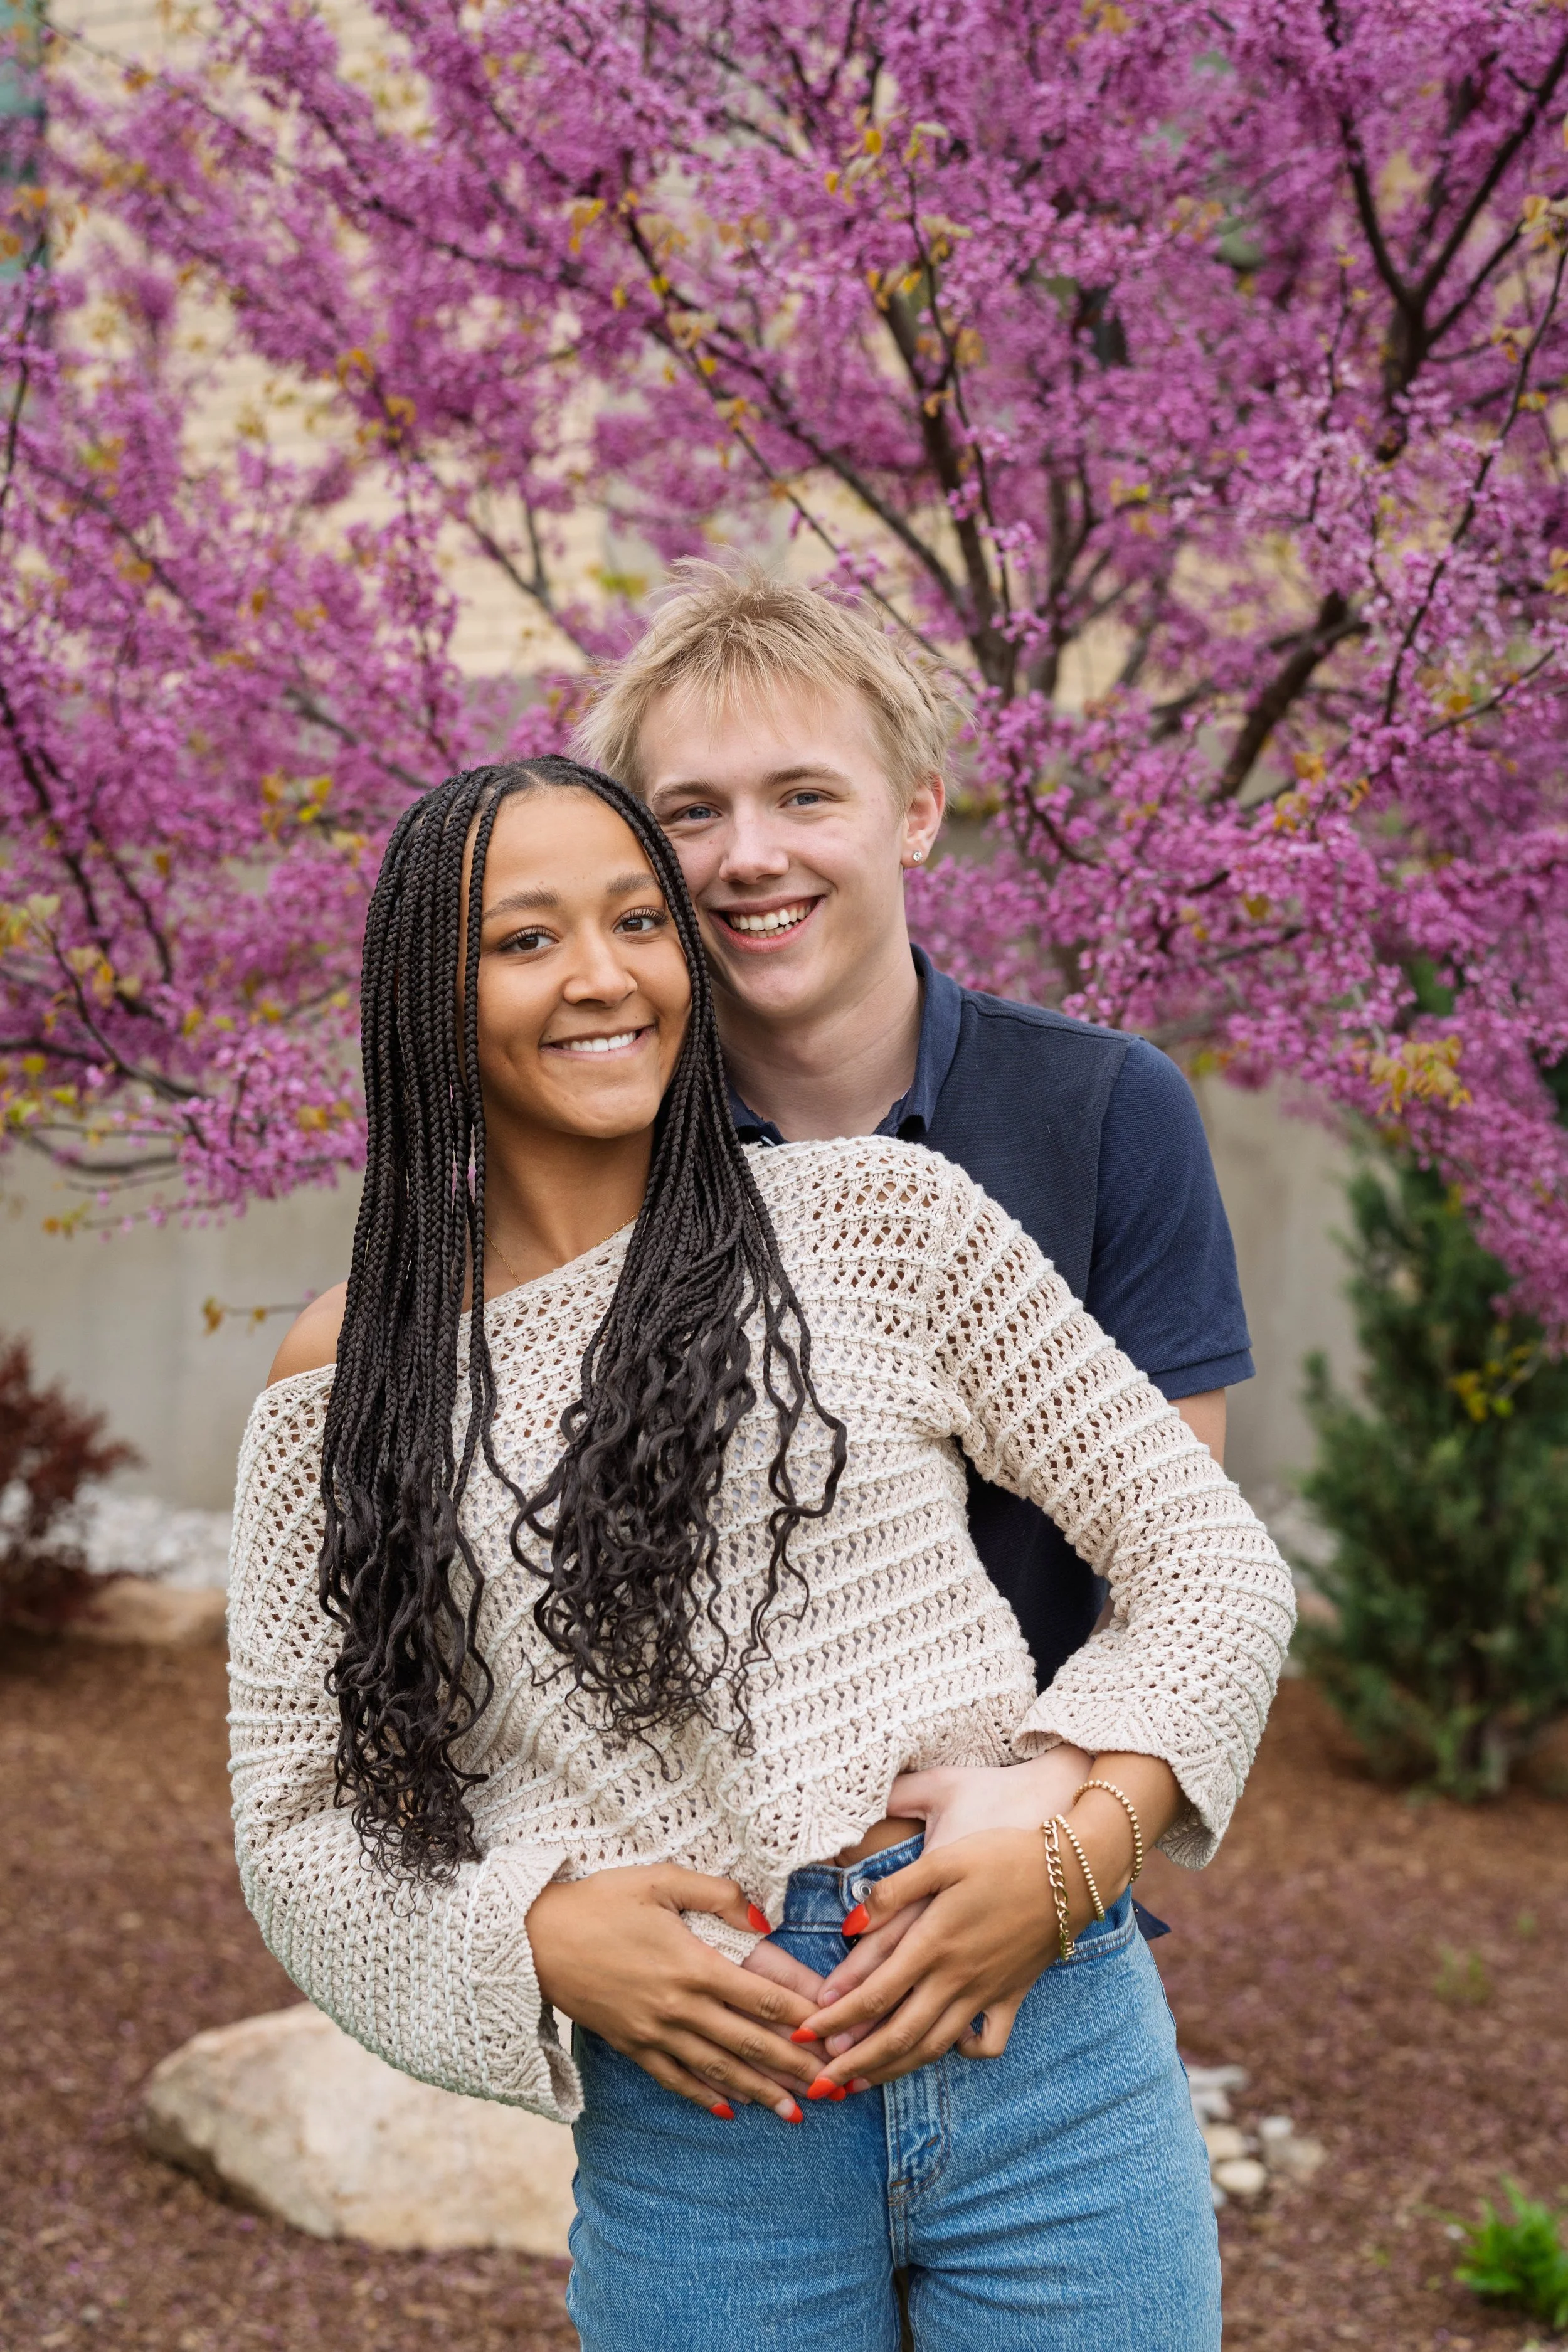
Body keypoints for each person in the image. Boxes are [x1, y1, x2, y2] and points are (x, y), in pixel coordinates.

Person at [233, 755, 1295, 2349]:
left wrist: (1077, 1835)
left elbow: (1209, 1560)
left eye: (638, 922)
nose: (602, 976)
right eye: (525, 941)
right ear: (425, 999)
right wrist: (527, 1932)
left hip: (1046, 2056)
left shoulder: (882, 1223)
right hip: (711, 2124)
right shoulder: (351, 1377)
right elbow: (297, 1816)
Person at [573, 563, 1254, 2034]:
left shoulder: (1103, 1109)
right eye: (690, 814)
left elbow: (1186, 1559)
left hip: (1032, 1921)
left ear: (918, 812)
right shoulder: (590, 1159)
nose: (747, 855)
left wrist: (1061, 1837)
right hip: (725, 1986)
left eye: (805, 796)